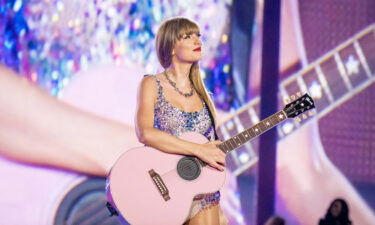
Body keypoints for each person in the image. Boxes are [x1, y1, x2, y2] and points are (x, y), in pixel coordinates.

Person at [135, 17, 227, 224]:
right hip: (164, 187)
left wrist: (213, 152)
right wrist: (198, 150)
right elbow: (145, 133)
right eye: (188, 36)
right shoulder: (151, 83)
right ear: (172, 47)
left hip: (202, 193)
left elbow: (207, 146)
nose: (197, 41)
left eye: (198, 36)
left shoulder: (204, 95)